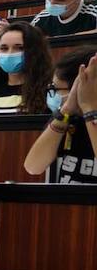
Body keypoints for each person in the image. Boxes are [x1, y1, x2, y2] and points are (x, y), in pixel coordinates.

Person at [23, 49, 97, 184]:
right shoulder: (66, 118)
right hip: (70, 204)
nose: (53, 94)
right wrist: (65, 111)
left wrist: (89, 109)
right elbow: (33, 167)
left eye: (55, 89)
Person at [0, 23, 53, 117]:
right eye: (4, 48)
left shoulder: (49, 89)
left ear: (34, 52)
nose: (10, 53)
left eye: (19, 48)